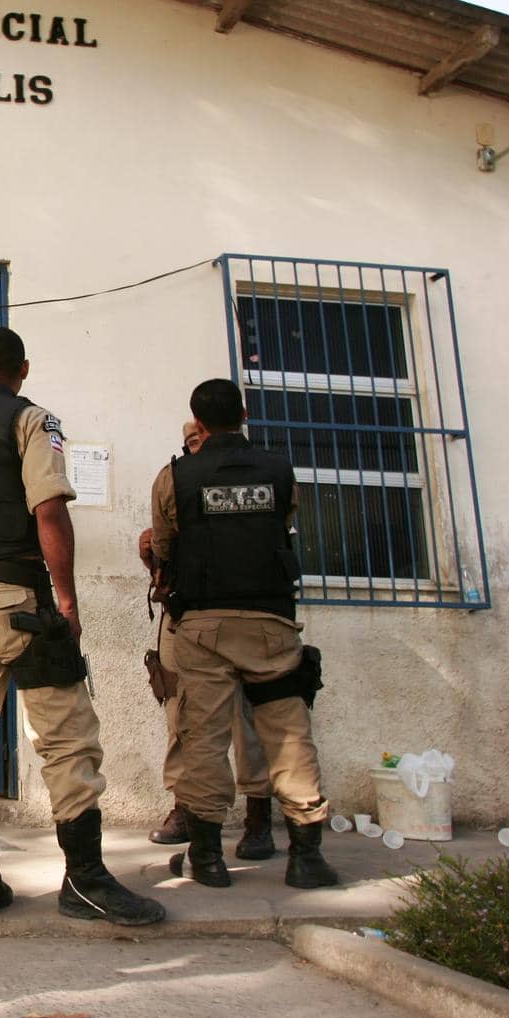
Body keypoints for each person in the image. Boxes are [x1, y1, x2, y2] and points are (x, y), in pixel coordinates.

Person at [0, 326, 165, 926]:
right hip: (19, 600)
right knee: (67, 737)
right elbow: (48, 509)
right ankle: (85, 882)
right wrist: (67, 602)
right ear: (21, 370)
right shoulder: (31, 420)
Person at [149, 378, 337, 890]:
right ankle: (306, 856)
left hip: (204, 627)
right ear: (244, 414)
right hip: (271, 623)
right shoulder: (279, 470)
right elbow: (283, 522)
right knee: (289, 734)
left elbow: (163, 547)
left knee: (203, 739)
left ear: (198, 422)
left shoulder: (177, 476)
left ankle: (207, 860)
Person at [140, 422, 276, 860]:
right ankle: (185, 809)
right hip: (186, 617)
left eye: (206, 439)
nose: (202, 449)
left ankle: (258, 816)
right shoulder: (177, 481)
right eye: (194, 443)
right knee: (182, 717)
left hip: (248, 613)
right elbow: (161, 546)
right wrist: (154, 557)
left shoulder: (261, 476)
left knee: (249, 720)